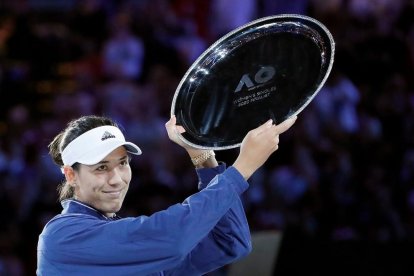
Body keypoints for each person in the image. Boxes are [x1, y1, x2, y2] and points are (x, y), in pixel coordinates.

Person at [36, 114, 297, 275]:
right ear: (71, 175)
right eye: (101, 167)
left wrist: (202, 158)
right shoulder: (62, 236)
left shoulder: (129, 249)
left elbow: (230, 241)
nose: (116, 179)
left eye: (123, 163)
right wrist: (242, 168)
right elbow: (174, 241)